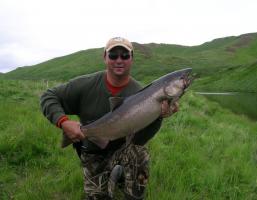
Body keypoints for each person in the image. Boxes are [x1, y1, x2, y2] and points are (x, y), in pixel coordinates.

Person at [40, 37, 179, 200]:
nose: (119, 60)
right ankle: (115, 174)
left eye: (125, 55)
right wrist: (63, 122)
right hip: (94, 152)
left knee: (140, 154)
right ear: (104, 57)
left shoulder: (140, 93)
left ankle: (122, 176)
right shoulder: (85, 85)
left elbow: (140, 140)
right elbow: (48, 96)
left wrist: (158, 116)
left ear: (132, 59)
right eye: (113, 55)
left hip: (124, 150)